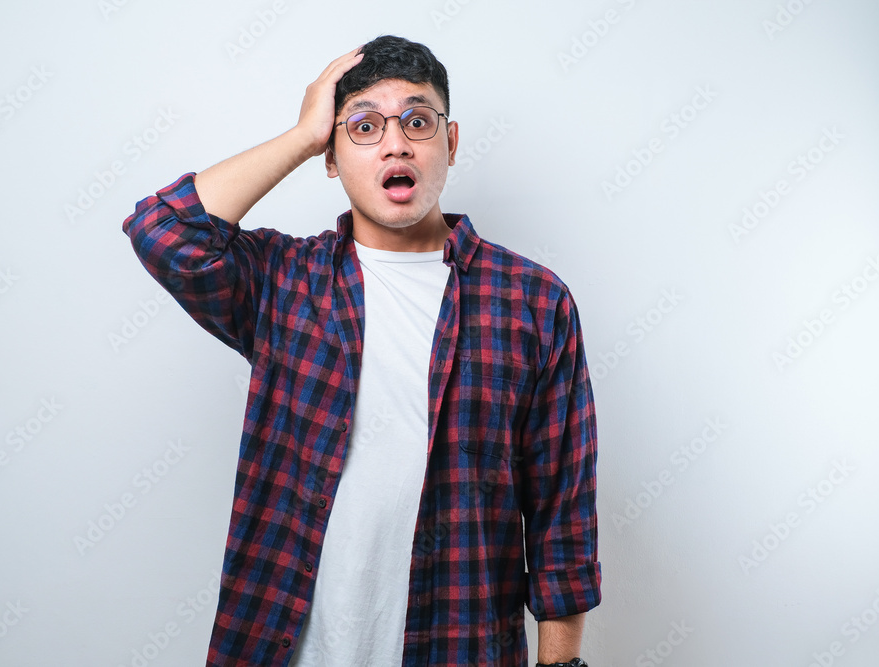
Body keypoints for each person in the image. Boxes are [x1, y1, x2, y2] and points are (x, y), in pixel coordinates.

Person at [122, 35, 600, 667]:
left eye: (418, 122)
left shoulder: (533, 302)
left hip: (459, 644)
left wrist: (561, 664)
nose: (396, 143)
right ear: (330, 155)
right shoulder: (284, 281)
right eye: (365, 126)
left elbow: (561, 508)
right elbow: (163, 232)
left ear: (449, 143)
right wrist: (299, 136)